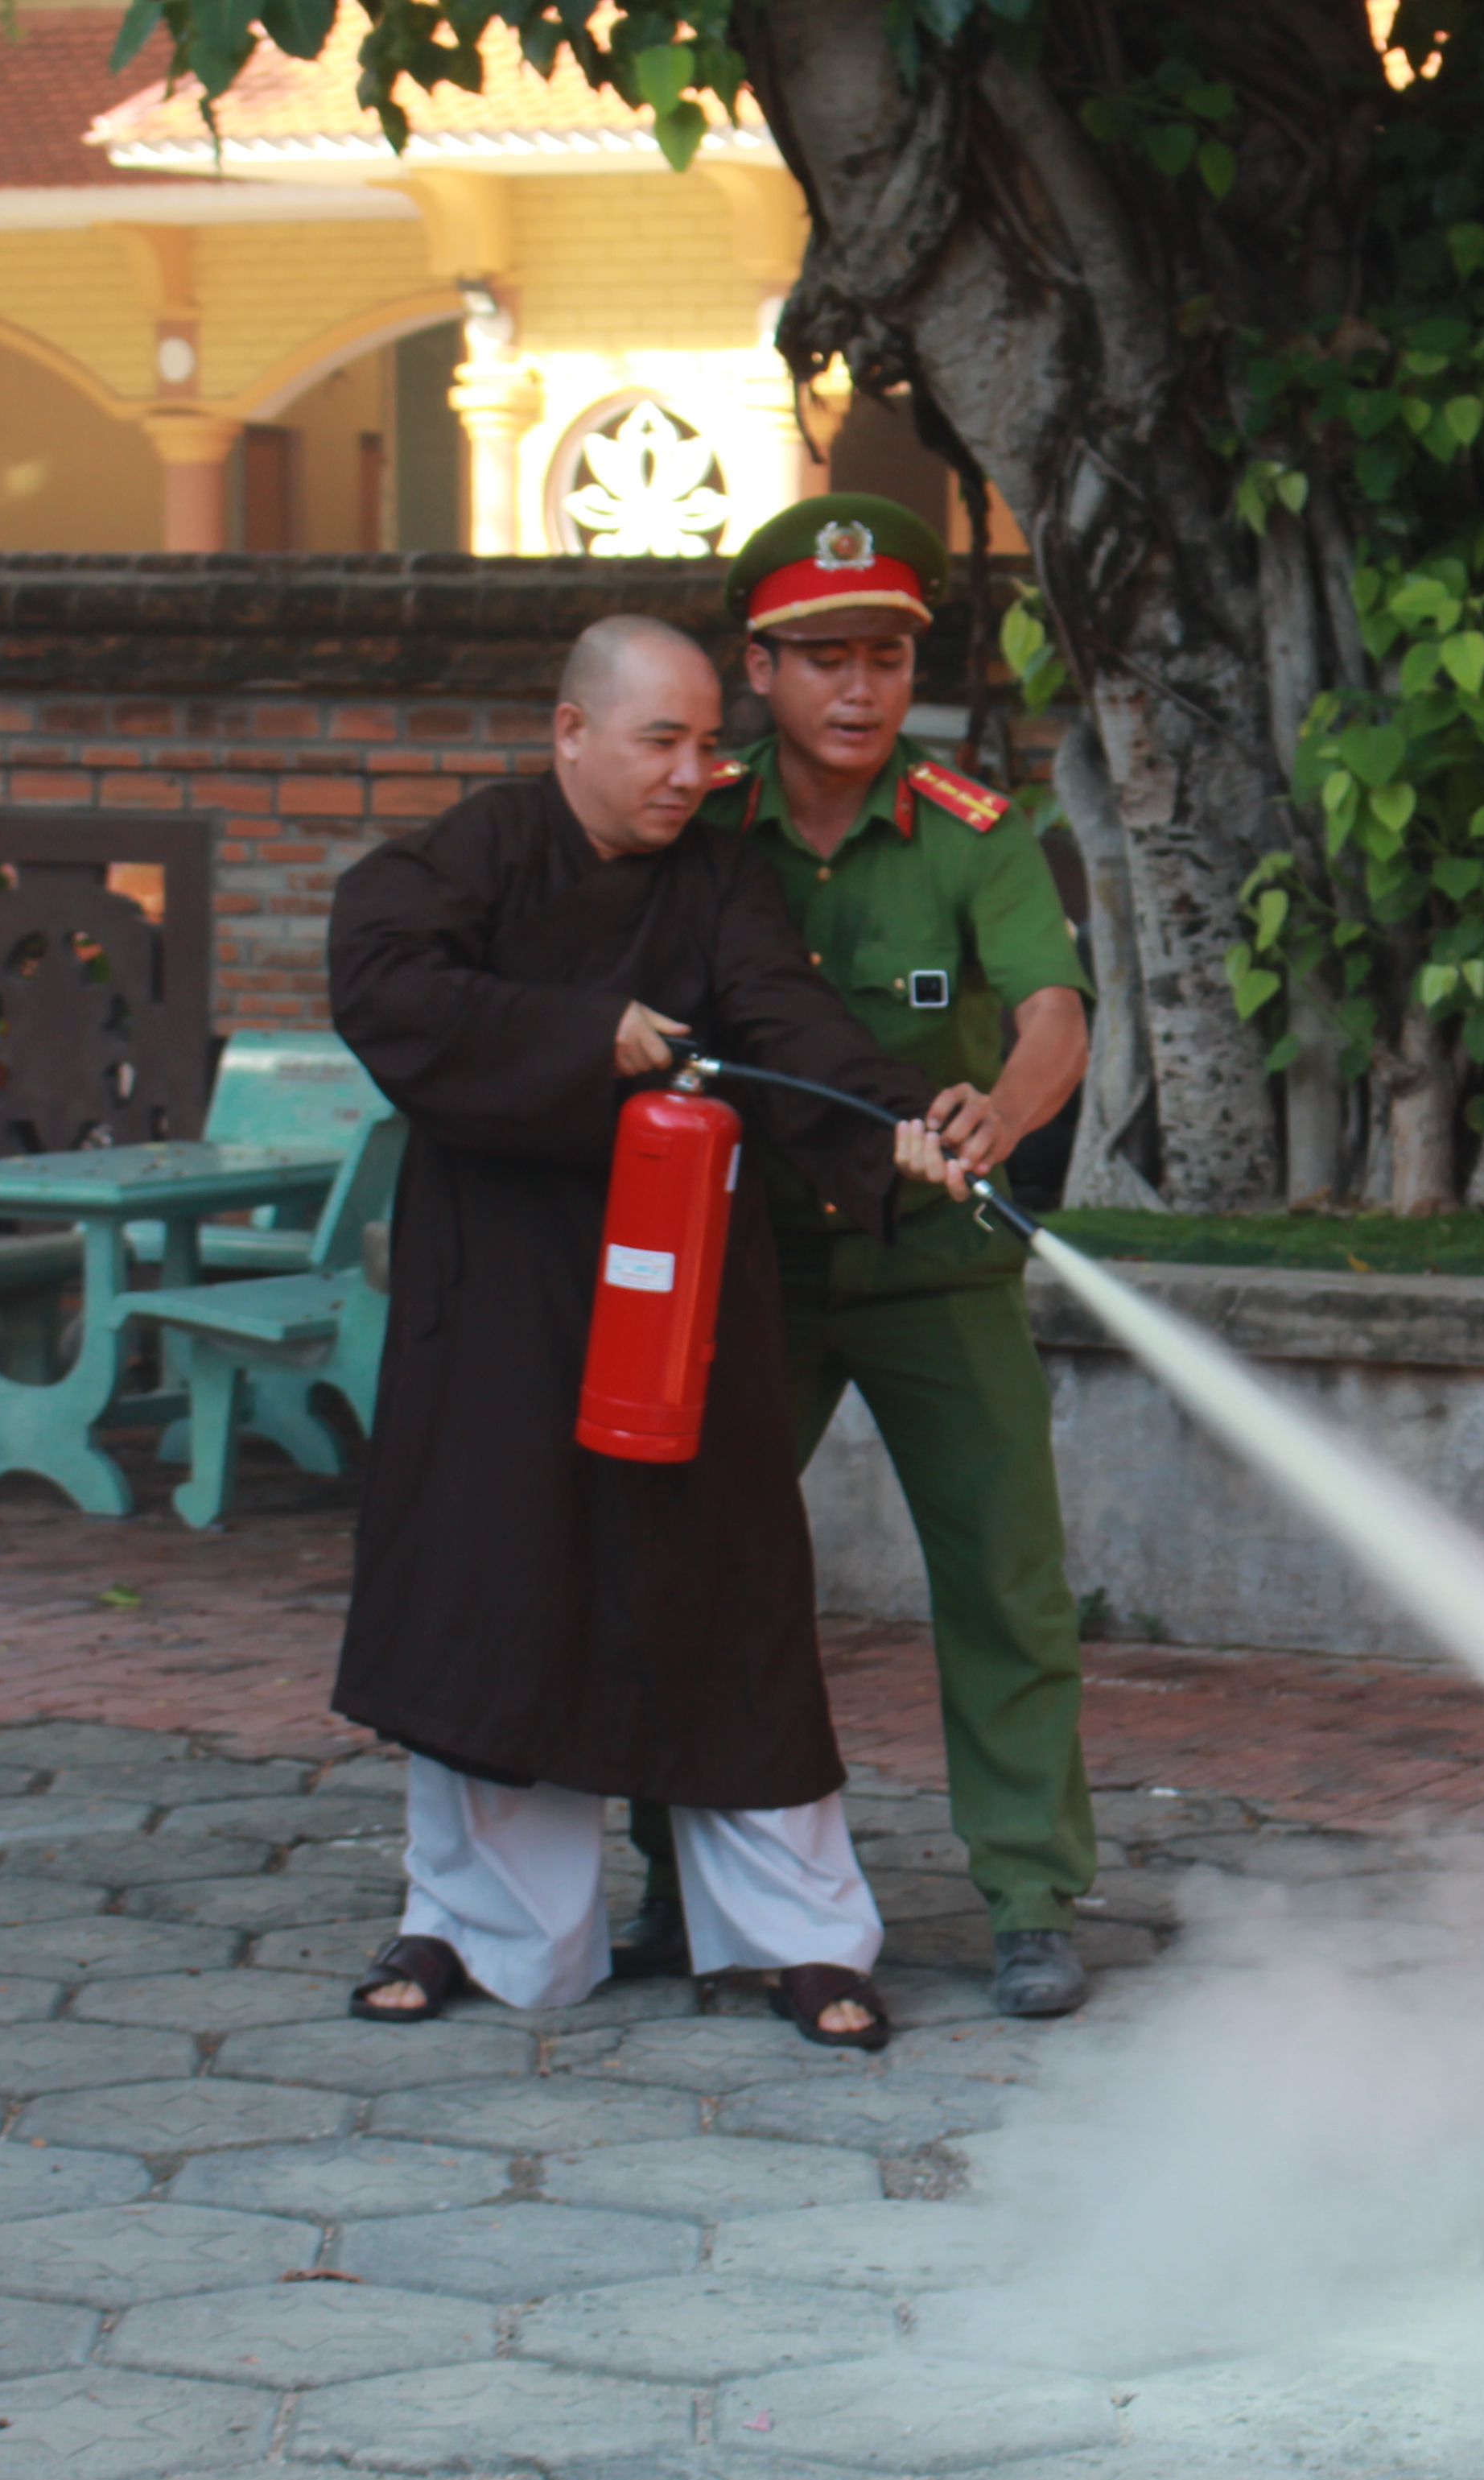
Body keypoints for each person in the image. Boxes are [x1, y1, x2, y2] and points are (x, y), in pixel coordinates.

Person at [329, 612, 978, 2050]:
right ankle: (483, 1931)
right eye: (661, 742)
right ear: (572, 733)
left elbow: (786, 1027)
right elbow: (382, 982)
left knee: (725, 1593)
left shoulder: (718, 884)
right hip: (498, 1300)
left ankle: (797, 1939)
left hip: (680, 1300)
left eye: (706, 743)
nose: (695, 773)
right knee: (498, 1605)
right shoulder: (473, 853)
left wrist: (894, 1128)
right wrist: (583, 1034)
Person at [612, 494, 1105, 2020]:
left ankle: (1029, 1895)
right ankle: (679, 1879)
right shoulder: (703, 822)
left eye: (884, 655)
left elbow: (1054, 1015)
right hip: (749, 1263)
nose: (857, 689)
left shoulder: (975, 831)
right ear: (757, 668)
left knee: (1005, 1582)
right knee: (693, 1573)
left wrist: (998, 1117)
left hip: (934, 1267)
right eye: (820, 656)